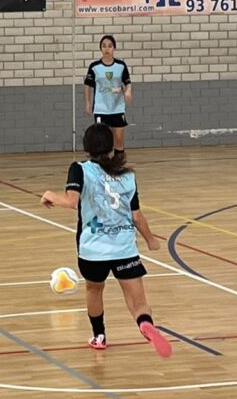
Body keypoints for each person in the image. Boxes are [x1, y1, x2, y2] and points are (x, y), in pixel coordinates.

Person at [40, 123, 172, 357]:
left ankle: (99, 336)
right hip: (124, 249)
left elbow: (71, 201)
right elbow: (136, 216)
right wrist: (151, 240)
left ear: (87, 147)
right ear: (112, 146)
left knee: (94, 290)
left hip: (93, 250)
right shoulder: (127, 175)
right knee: (138, 303)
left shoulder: (79, 169)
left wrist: (51, 196)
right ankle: (144, 323)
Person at [84, 35, 132, 158]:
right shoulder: (94, 67)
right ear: (100, 48)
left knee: (119, 140)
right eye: (104, 46)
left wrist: (128, 92)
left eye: (110, 46)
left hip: (117, 108)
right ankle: (103, 165)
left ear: (114, 48)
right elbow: (88, 85)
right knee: (102, 141)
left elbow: (127, 82)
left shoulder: (121, 65)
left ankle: (118, 165)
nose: (107, 49)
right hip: (101, 109)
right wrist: (88, 102)